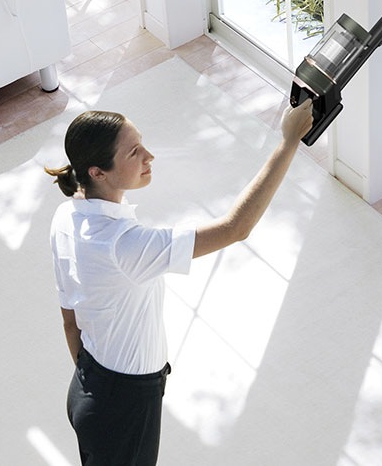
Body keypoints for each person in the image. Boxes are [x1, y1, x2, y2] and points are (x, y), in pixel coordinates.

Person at [44, 99, 313, 466]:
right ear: (98, 172)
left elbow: (69, 320)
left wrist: (101, 388)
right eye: (134, 151)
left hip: (90, 389)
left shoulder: (66, 217)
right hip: (121, 408)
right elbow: (236, 228)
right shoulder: (125, 244)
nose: (149, 156)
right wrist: (288, 142)